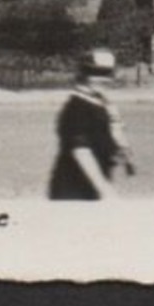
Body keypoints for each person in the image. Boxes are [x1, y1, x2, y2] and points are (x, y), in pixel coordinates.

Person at [48, 49, 132, 200]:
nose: (102, 79)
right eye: (94, 73)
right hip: (74, 188)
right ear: (83, 75)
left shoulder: (100, 102)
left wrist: (118, 145)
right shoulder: (76, 108)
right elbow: (81, 151)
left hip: (92, 185)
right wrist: (104, 189)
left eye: (106, 74)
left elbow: (110, 130)